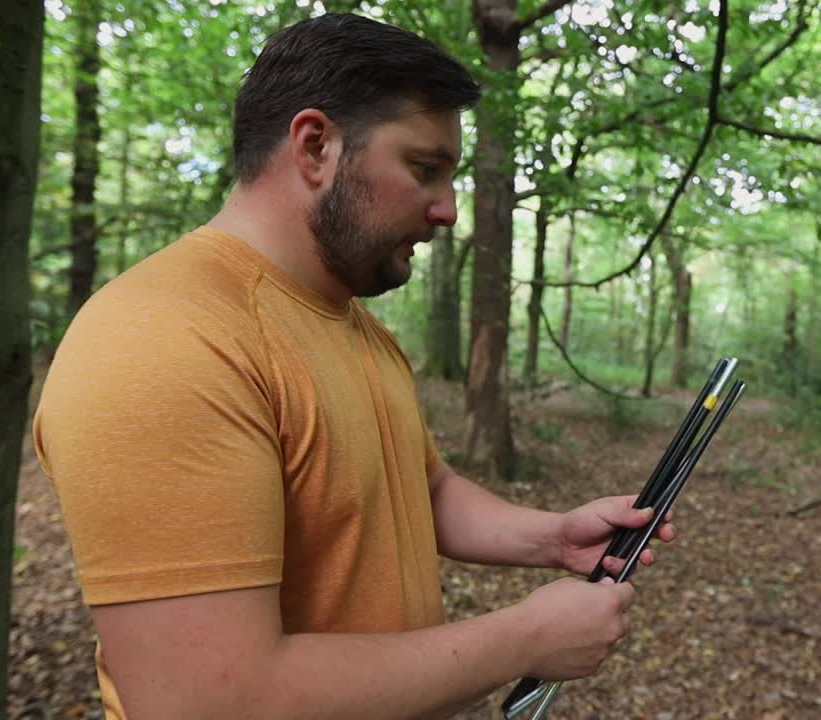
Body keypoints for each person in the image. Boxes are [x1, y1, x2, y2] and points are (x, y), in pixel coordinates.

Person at [33, 12, 677, 720]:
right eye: (424, 169)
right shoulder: (163, 339)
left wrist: (550, 537)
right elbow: (211, 701)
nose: (448, 211)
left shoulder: (357, 328)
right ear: (316, 146)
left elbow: (420, 491)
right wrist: (523, 639)